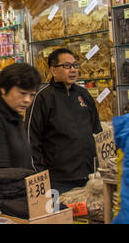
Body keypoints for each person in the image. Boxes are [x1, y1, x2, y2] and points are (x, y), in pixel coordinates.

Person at [25, 48, 102, 194]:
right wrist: (39, 176)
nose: (73, 70)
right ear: (53, 70)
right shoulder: (42, 98)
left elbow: (96, 130)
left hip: (90, 177)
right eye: (67, 66)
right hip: (59, 181)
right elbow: (31, 140)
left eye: (75, 65)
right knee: (64, 217)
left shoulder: (83, 95)